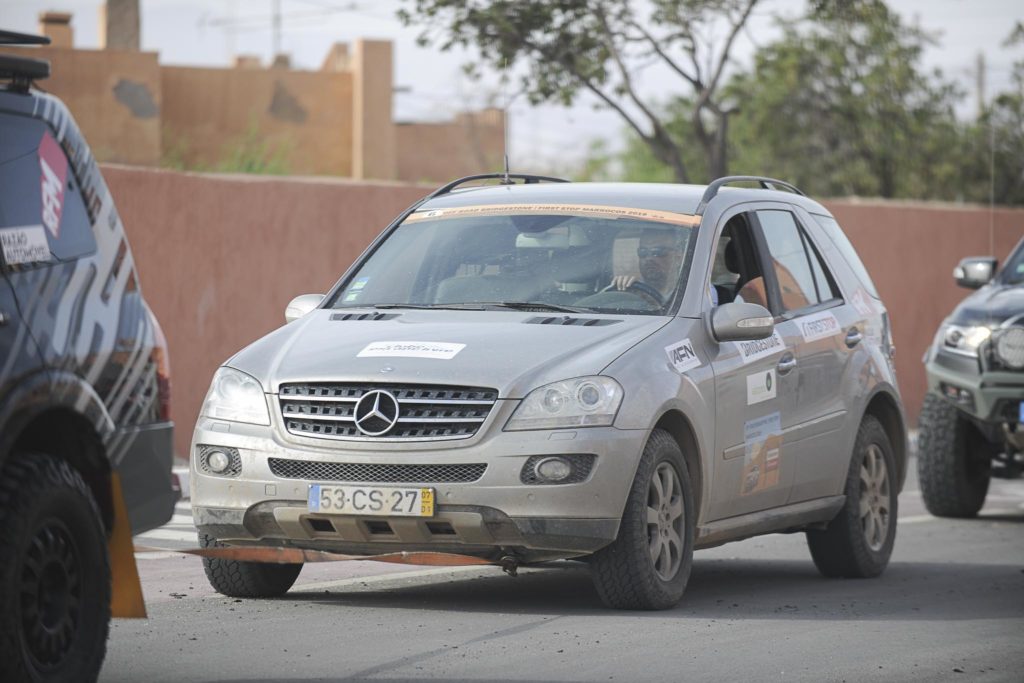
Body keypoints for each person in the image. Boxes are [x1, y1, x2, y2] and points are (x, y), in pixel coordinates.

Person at [610, 229, 686, 301]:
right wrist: (621, 288)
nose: (648, 258)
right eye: (643, 252)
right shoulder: (631, 291)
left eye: (658, 252)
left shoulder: (691, 295)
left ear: (678, 257)